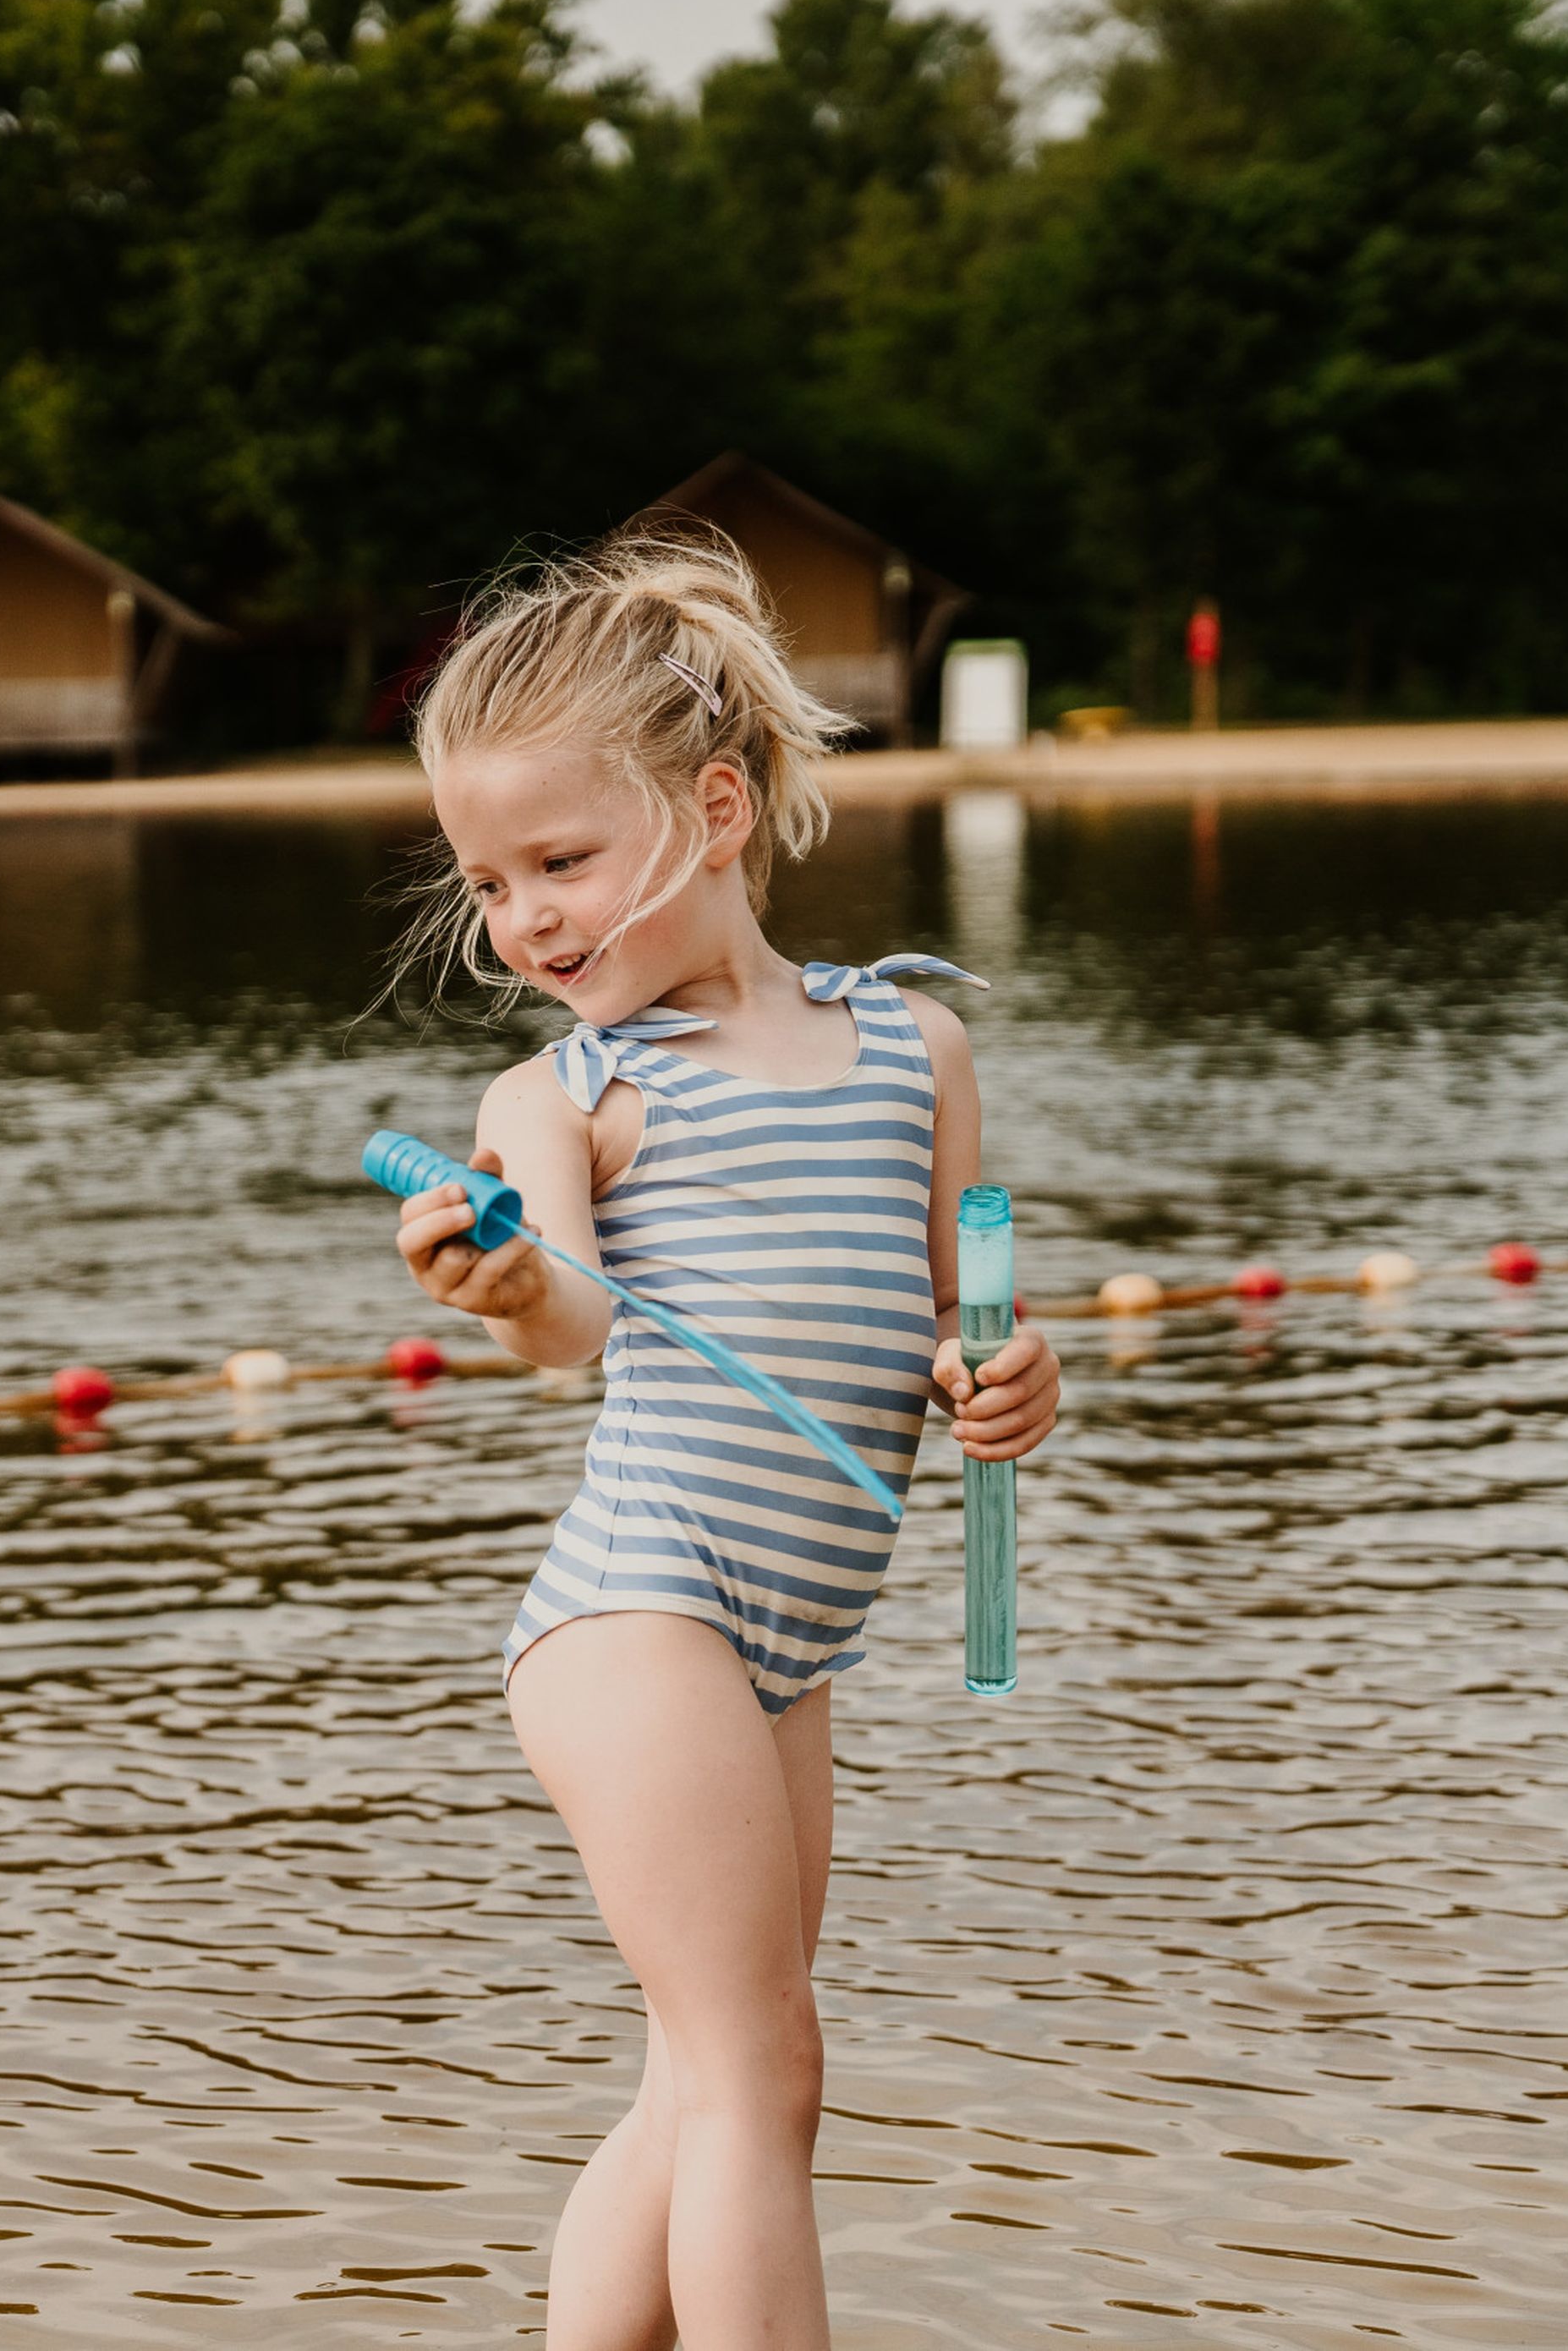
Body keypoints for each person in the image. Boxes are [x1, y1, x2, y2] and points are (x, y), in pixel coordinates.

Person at [387, 533, 1061, 2348]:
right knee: (766, 2070)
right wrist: (511, 1288)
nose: (522, 920)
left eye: (561, 862)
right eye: (487, 882)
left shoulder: (912, 1050)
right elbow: (578, 1323)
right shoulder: (568, 1094)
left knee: (709, 2081)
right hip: (639, 1614)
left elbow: (952, 1323)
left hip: (793, 1646)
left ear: (713, 808)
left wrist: (1006, 1380)